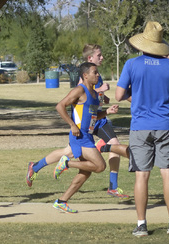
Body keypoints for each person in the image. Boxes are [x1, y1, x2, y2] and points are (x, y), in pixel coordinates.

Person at [115, 21, 169, 236]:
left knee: (141, 175)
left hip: (140, 127)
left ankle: (141, 225)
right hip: (165, 125)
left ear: (143, 43)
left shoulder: (131, 64)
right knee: (167, 173)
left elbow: (119, 95)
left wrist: (134, 97)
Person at [33, 62, 118, 213]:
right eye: (95, 72)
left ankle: (62, 201)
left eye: (97, 72)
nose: (98, 75)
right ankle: (66, 164)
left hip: (88, 136)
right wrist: (72, 125)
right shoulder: (80, 90)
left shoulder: (94, 94)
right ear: (85, 75)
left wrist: (107, 112)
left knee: (86, 172)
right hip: (79, 136)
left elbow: (93, 116)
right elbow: (60, 106)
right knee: (100, 166)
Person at [78, 44, 129, 199]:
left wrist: (103, 97)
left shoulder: (97, 76)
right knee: (71, 153)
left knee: (115, 145)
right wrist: (100, 91)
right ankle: (39, 166)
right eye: (99, 55)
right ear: (90, 58)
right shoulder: (85, 76)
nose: (102, 58)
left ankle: (113, 187)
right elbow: (81, 96)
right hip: (88, 121)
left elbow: (98, 100)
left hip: (99, 119)